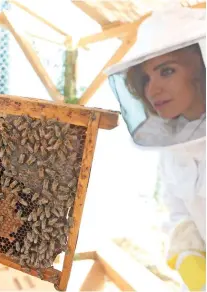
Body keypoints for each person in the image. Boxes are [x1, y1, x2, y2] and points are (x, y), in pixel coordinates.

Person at [105, 4, 206, 291]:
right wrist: (191, 261)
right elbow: (179, 214)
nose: (152, 90)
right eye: (147, 78)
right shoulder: (173, 148)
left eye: (167, 71)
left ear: (201, 70)